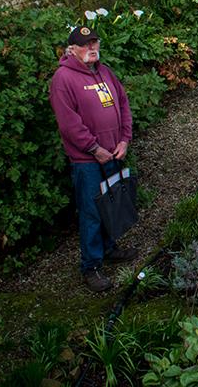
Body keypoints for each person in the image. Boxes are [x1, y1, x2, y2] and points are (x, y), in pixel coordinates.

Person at [49, 25, 139, 292]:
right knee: (91, 212)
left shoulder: (104, 71)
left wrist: (124, 139)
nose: (91, 49)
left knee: (112, 204)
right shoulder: (63, 79)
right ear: (72, 49)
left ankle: (109, 249)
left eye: (94, 43)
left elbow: (122, 103)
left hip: (113, 152)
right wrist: (94, 148)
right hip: (88, 160)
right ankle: (91, 267)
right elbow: (69, 124)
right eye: (85, 45)